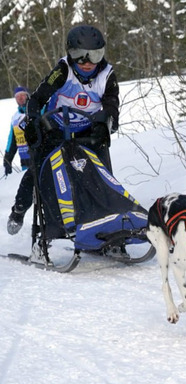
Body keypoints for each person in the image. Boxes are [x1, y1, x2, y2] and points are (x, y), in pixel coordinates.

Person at [7, 24, 120, 236]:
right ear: (71, 54)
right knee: (38, 169)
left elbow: (112, 106)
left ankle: (106, 225)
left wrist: (106, 125)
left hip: (89, 131)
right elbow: (37, 98)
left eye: (94, 55)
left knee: (101, 174)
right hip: (56, 128)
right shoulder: (63, 70)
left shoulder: (107, 75)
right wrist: (33, 122)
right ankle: (19, 210)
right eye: (80, 56)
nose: (87, 63)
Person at [3, 86, 30, 177]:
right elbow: (12, 140)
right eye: (17, 97)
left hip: (38, 158)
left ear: (27, 96)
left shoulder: (35, 111)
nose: (20, 98)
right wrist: (7, 159)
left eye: (22, 95)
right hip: (25, 162)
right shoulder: (15, 118)